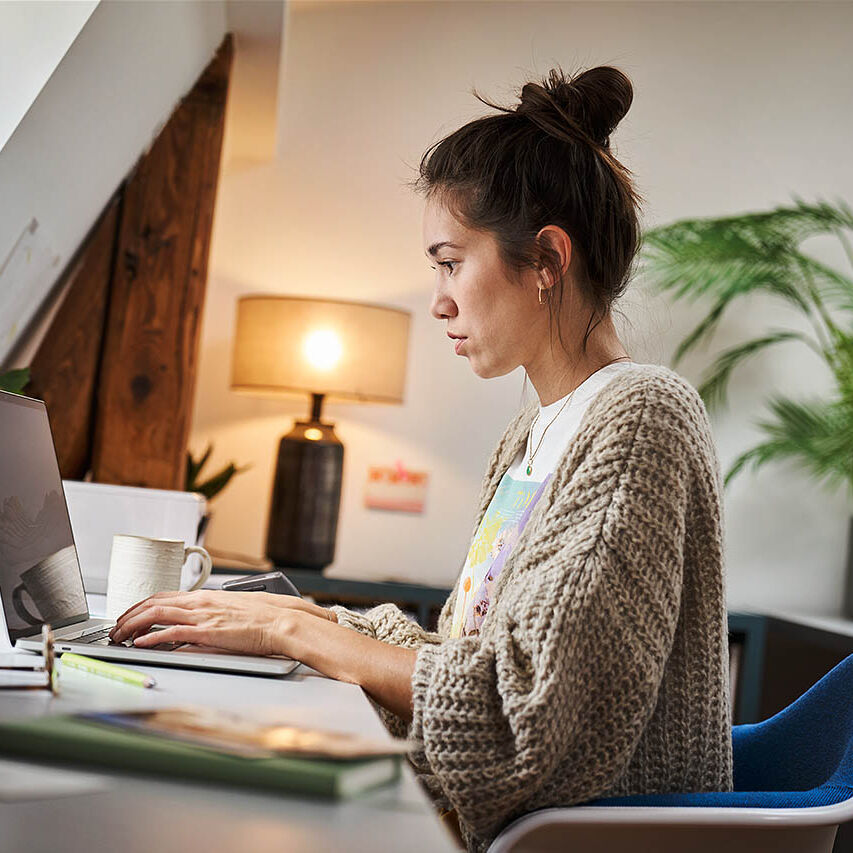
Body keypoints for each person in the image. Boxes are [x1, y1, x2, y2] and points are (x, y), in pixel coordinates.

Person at [110, 65, 733, 852]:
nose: (437, 298)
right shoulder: (536, 430)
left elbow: (520, 717)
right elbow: (476, 664)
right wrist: (300, 616)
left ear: (545, 259)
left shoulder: (641, 416)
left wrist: (295, 638)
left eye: (448, 261)